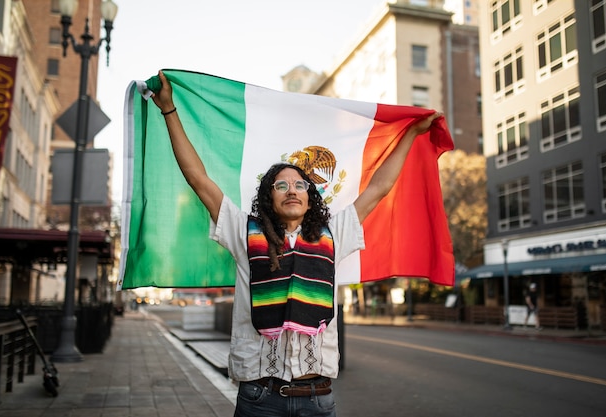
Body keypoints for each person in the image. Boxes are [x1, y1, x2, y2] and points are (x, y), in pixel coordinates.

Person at [152, 71, 441, 417]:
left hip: (317, 399)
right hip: (259, 399)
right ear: (268, 197)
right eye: (281, 185)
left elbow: (379, 187)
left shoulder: (335, 233)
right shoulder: (244, 232)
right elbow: (198, 179)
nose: (291, 190)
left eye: (300, 185)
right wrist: (169, 110)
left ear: (310, 197)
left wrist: (410, 134)